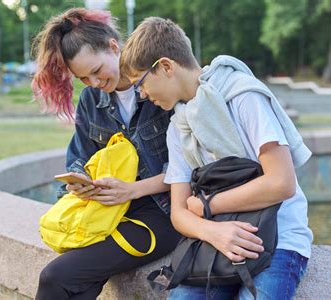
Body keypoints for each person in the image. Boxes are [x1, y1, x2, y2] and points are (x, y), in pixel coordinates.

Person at [121, 17, 313, 300]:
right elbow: (179, 212)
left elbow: (282, 183)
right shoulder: (179, 126)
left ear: (165, 67)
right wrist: (214, 231)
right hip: (214, 240)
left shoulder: (242, 95)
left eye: (140, 83)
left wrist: (208, 205)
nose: (142, 94)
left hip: (277, 238)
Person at [31, 9, 181, 300]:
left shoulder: (160, 88)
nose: (95, 83)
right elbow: (80, 155)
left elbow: (190, 167)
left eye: (97, 71)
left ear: (114, 47)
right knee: (76, 284)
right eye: (84, 79)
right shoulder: (91, 100)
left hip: (162, 214)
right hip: (110, 211)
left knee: (55, 277)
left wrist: (132, 190)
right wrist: (80, 181)